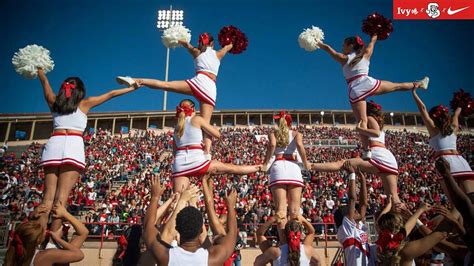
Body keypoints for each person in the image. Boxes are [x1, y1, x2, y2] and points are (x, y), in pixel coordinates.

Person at [36, 67, 139, 231]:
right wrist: (132, 87)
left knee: (47, 198)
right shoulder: (85, 103)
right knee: (61, 199)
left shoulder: (53, 101)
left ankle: (34, 239)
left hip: (54, 143)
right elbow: (111, 94)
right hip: (73, 145)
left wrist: (40, 70)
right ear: (80, 91)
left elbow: (44, 81)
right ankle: (52, 241)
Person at [116, 33, 233, 158]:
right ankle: (207, 153)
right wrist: (232, 41)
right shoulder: (218, 54)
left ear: (201, 43)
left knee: (166, 85)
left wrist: (177, 38)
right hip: (210, 87)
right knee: (206, 124)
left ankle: (135, 79)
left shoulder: (196, 52)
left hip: (199, 81)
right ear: (212, 43)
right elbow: (229, 46)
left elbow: (185, 43)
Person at [318, 35, 429, 158]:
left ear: (351, 46)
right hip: (368, 83)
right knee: (396, 86)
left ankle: (366, 151)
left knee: (362, 121)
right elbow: (372, 42)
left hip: (355, 89)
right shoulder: (366, 54)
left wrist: (317, 42)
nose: (342, 47)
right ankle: (419, 84)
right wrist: (375, 34)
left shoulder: (344, 58)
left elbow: (328, 49)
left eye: (344, 45)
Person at [312, 101, 402, 205]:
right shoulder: (374, 121)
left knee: (342, 163)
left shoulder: (369, 119)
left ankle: (311, 166)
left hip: (379, 155)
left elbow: (376, 133)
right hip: (386, 157)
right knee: (393, 199)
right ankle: (413, 219)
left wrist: (359, 129)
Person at [143, 176, 239, 266]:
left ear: (177, 228)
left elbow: (148, 227)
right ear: (201, 230)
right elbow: (232, 234)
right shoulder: (212, 258)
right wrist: (230, 206)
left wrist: (155, 197)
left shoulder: (165, 256)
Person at [171, 99, 262, 192]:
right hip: (198, 161)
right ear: (193, 108)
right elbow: (217, 134)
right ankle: (259, 167)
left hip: (180, 164)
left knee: (177, 200)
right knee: (232, 168)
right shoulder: (197, 119)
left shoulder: (177, 127)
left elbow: (174, 152)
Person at [411, 88, 474, 201]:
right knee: (471, 199)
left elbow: (423, 109)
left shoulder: (433, 130)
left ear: (434, 118)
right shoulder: (453, 128)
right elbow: (456, 113)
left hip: (445, 163)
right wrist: (461, 103)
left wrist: (414, 93)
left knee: (456, 204)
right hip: (461, 162)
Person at [262, 111, 310, 234]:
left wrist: (265, 163)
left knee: (281, 212)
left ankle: (283, 243)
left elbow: (272, 145)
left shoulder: (273, 133)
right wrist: (306, 163)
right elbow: (299, 145)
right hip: (294, 169)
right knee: (295, 212)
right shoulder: (296, 133)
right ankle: (295, 241)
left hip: (278, 167)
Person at [4, 202, 89, 266]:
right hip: (51, 247)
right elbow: (80, 252)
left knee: (48, 200)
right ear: (38, 240)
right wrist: (58, 239)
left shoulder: (13, 254)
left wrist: (31, 218)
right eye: (43, 232)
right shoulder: (46, 255)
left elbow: (26, 233)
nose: (46, 231)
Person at [376, 203, 448, 266]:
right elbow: (440, 234)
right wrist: (456, 208)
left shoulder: (379, 248)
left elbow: (405, 229)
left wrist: (418, 212)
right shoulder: (407, 250)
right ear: (400, 226)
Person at [335, 163, 370, 266]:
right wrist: (352, 174)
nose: (356, 210)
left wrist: (362, 178)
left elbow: (364, 203)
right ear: (345, 218)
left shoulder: (358, 226)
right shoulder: (346, 229)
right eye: (353, 210)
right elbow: (352, 199)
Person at [254, 214, 321, 266]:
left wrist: (272, 219)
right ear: (300, 235)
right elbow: (312, 232)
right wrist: (304, 220)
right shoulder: (308, 250)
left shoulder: (274, 252)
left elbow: (257, 263)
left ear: (284, 234)